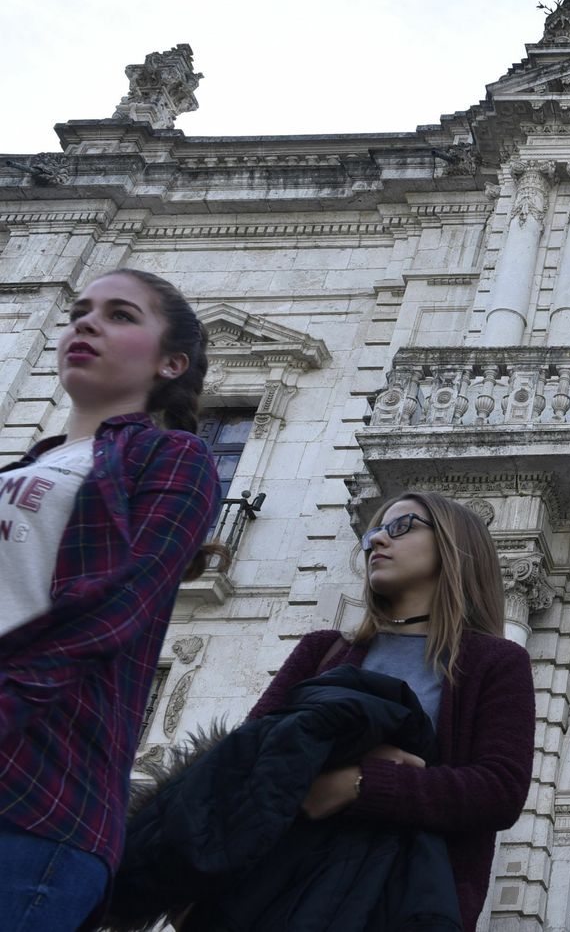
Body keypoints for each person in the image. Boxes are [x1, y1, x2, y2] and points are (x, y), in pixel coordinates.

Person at [0, 268, 222, 930]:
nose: (86, 322)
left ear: (170, 361)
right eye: (79, 309)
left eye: (120, 314)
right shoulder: (21, 466)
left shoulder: (174, 458)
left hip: (36, 796)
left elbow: (112, 608)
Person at [242, 491, 536, 928]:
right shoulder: (323, 650)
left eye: (401, 527)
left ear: (455, 547)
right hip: (282, 895)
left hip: (405, 903)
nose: (378, 540)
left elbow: (498, 791)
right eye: (374, 532)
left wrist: (361, 783)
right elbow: (247, 758)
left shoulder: (495, 662)